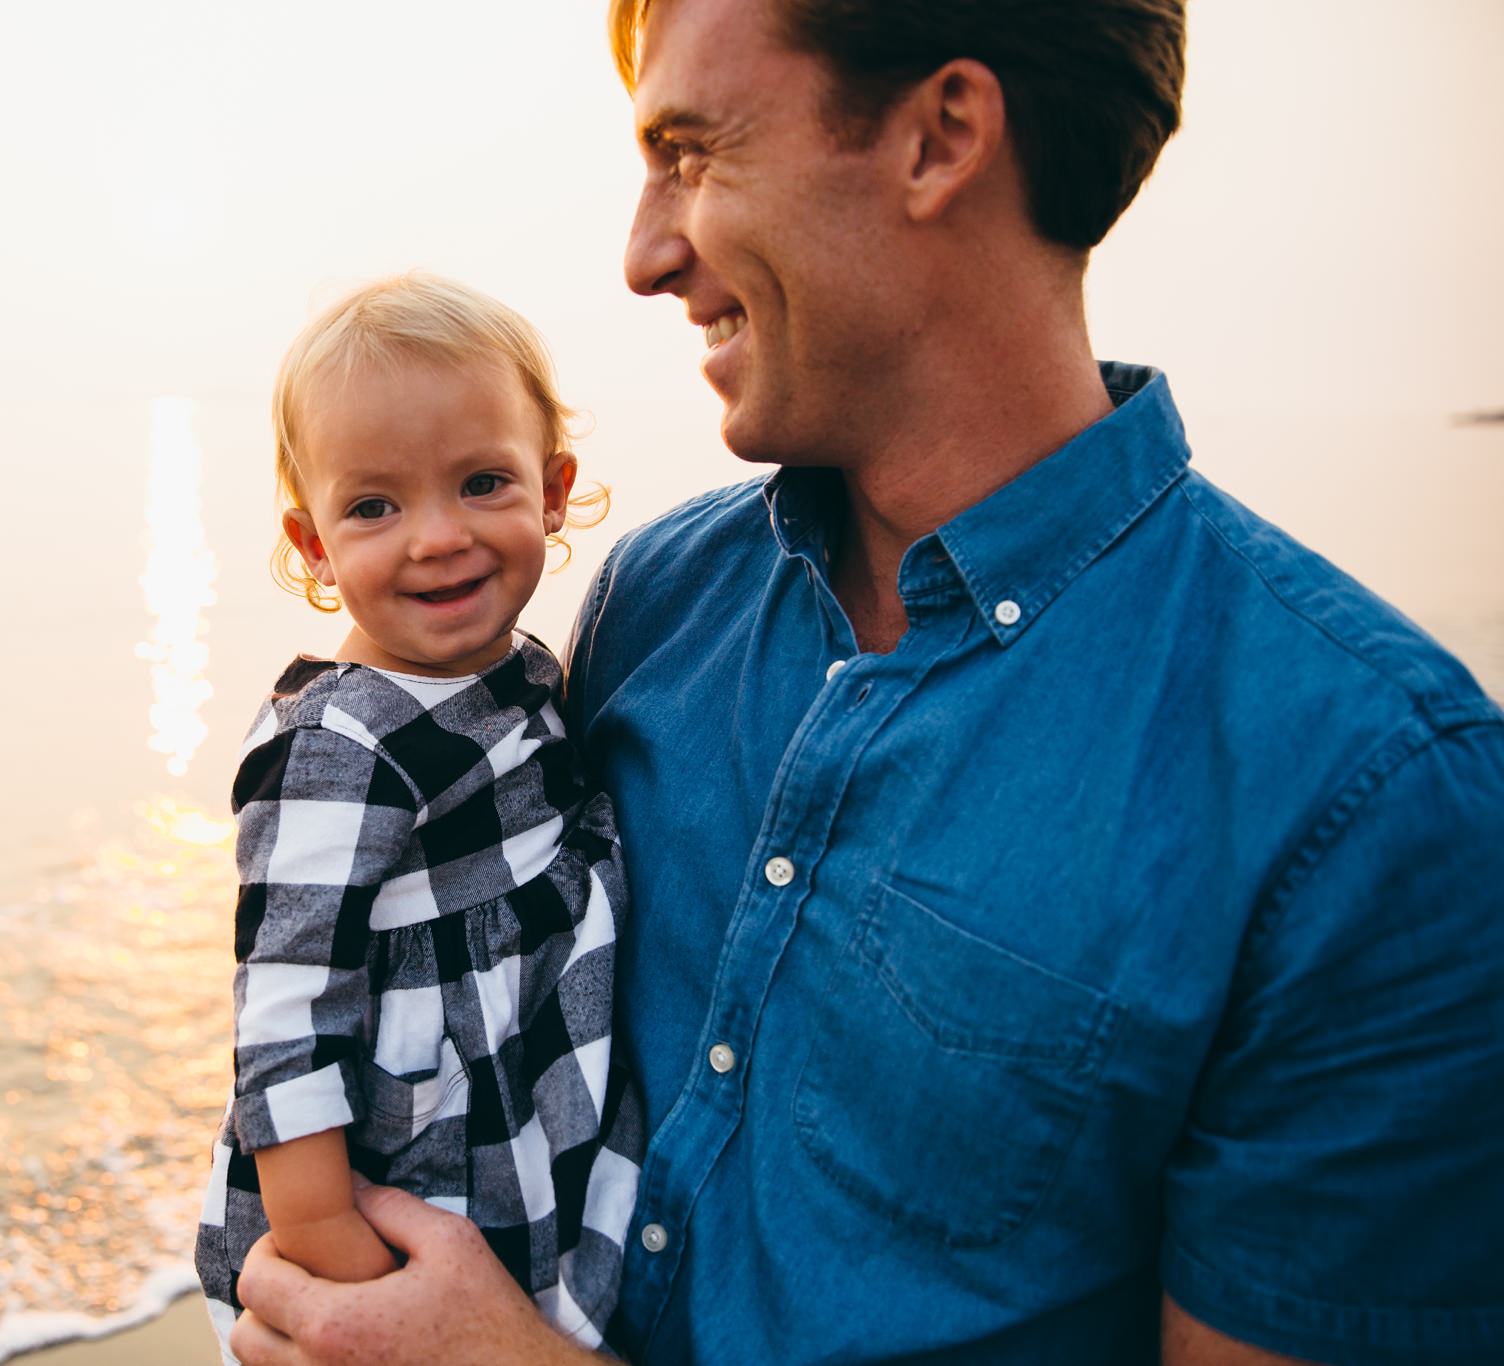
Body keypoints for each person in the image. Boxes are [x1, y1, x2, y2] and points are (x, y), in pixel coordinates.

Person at [226, 1, 1504, 1364]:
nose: (645, 252)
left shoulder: (1379, 796)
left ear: (938, 138)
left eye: (693, 152)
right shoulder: (656, 603)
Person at [194, 273, 645, 1359]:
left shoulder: (530, 670)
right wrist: (336, 1268)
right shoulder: (332, 749)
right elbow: (287, 1031)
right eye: (373, 506)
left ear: (552, 490)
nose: (436, 538)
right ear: (312, 546)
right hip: (409, 1176)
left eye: (481, 481)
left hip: (529, 1110)